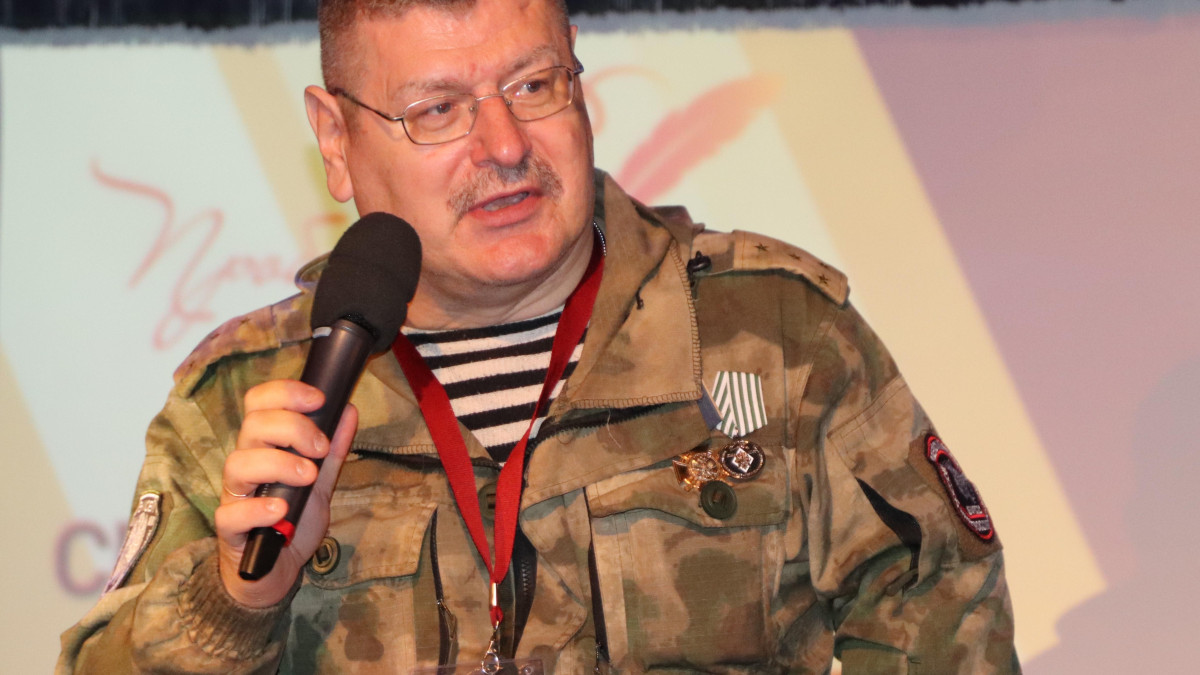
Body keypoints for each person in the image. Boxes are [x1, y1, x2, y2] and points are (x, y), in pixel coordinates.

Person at [58, 0, 1019, 671]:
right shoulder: (247, 401)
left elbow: (946, 616)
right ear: (337, 140)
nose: (506, 145)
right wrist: (237, 602)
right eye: (438, 110)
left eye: (533, 84)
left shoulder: (775, 337)